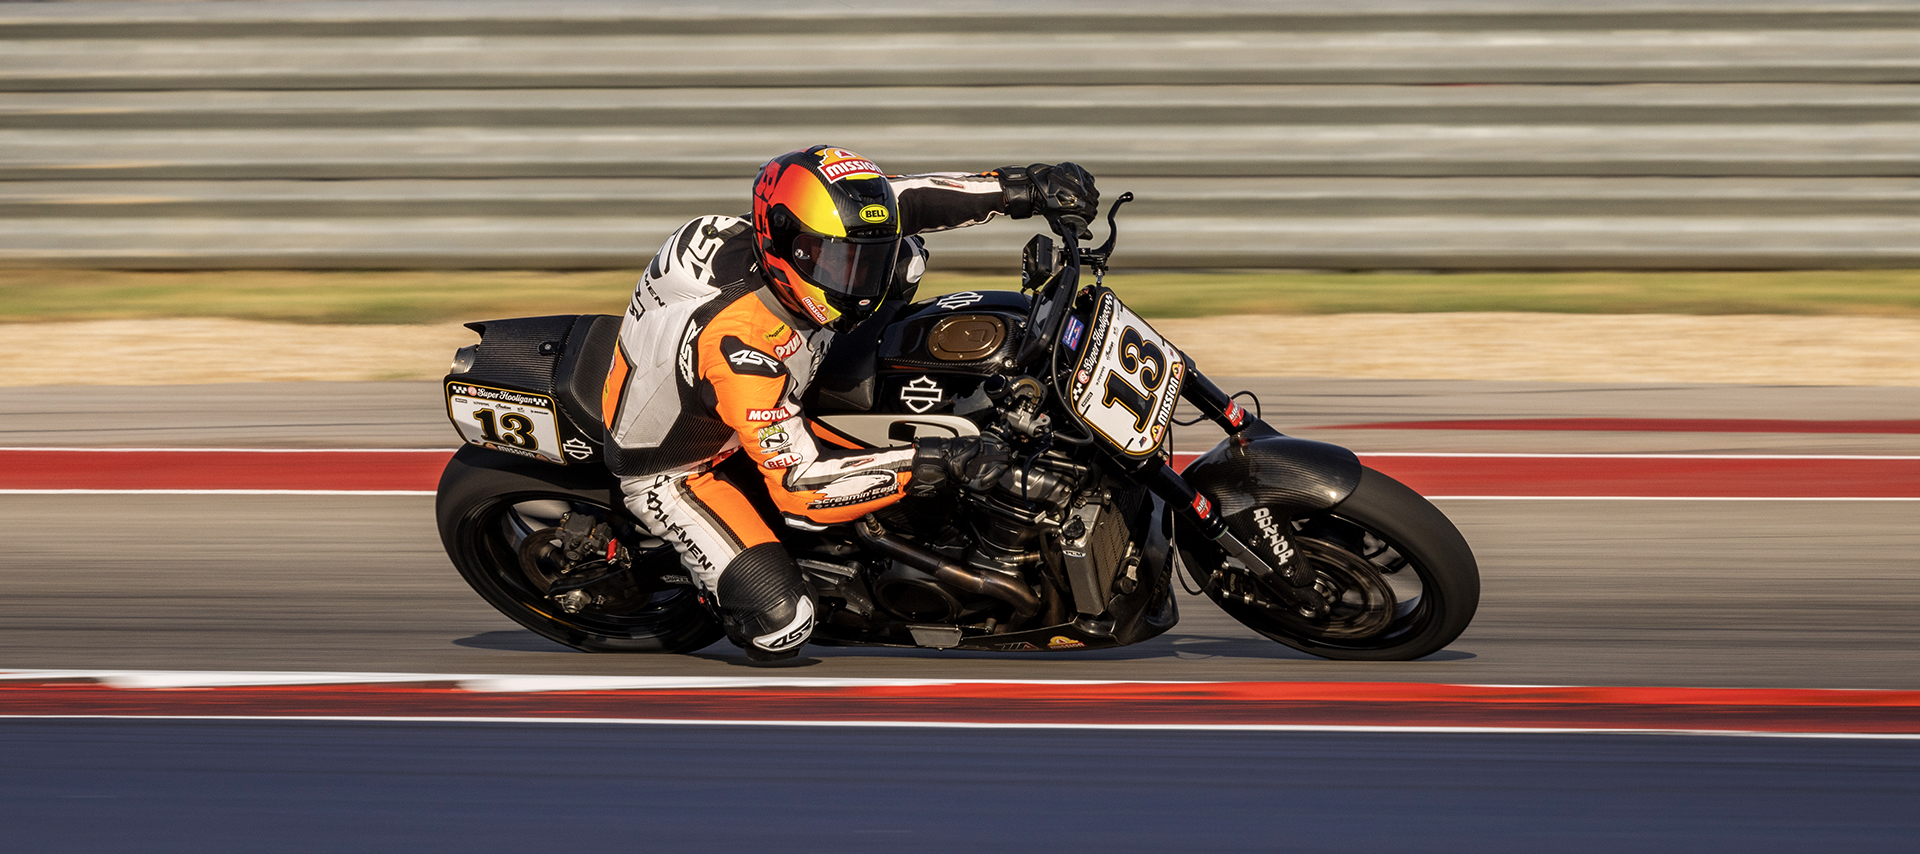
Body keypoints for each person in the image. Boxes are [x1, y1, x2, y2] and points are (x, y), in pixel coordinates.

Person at [599, 145, 1097, 661]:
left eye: (862, 260)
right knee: (782, 626)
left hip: (742, 374)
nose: (858, 282)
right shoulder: (742, 352)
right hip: (680, 468)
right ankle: (724, 581)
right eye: (838, 263)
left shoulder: (782, 234)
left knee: (905, 255)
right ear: (785, 247)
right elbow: (801, 486)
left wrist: (1022, 188)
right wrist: (935, 460)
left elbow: (909, 200)